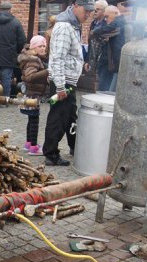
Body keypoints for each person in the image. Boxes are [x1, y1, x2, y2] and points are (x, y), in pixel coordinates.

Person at [44, 0, 94, 166]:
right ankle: (51, 154)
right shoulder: (65, 27)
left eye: (90, 12)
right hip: (63, 81)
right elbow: (58, 57)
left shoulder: (73, 25)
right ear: (76, 6)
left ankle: (74, 146)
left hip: (68, 80)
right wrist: (59, 86)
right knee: (58, 118)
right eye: (85, 11)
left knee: (71, 115)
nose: (87, 15)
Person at [18, 35, 49, 156]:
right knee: (34, 120)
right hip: (33, 95)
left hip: (32, 93)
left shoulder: (32, 58)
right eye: (40, 46)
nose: (43, 48)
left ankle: (29, 143)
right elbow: (30, 77)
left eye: (44, 46)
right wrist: (47, 72)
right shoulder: (33, 60)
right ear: (34, 47)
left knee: (31, 119)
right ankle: (34, 147)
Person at [91, 5, 125, 92]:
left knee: (105, 90)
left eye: (107, 16)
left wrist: (94, 32)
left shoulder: (119, 22)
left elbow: (103, 31)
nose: (105, 19)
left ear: (116, 13)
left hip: (113, 62)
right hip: (109, 61)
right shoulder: (118, 22)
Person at [86, 0, 108, 88]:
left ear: (104, 11)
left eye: (98, 9)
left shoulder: (107, 24)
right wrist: (87, 60)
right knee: (94, 85)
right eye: (94, 9)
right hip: (94, 60)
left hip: (103, 61)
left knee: (102, 86)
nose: (94, 12)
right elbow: (90, 43)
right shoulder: (93, 23)